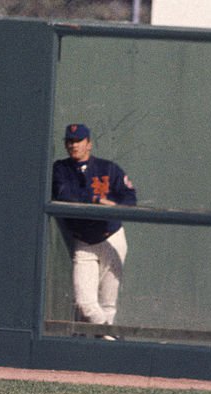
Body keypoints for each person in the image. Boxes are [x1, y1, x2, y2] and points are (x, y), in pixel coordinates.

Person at [51, 124, 136, 333]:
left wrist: (115, 206)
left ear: (89, 144)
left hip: (111, 238)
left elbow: (130, 198)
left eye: (78, 141)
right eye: (69, 141)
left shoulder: (107, 168)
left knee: (108, 304)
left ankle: (106, 352)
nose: (73, 145)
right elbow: (65, 196)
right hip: (84, 242)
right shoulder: (61, 169)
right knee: (85, 303)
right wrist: (98, 200)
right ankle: (112, 336)